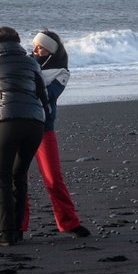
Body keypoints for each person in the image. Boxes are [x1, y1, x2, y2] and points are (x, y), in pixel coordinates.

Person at [0, 25, 48, 247]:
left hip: (9, 121)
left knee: (2, 177)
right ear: (18, 42)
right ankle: (18, 230)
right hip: (36, 122)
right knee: (20, 175)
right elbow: (42, 95)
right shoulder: (32, 63)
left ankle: (6, 233)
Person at [25, 28, 91, 238]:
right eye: (35, 45)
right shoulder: (24, 62)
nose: (36, 49)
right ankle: (16, 225)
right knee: (17, 179)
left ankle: (68, 222)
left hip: (44, 127)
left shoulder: (62, 71)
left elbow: (50, 94)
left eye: (41, 47)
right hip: (20, 124)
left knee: (53, 179)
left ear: (51, 51)